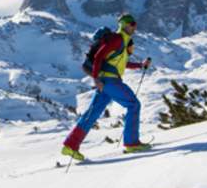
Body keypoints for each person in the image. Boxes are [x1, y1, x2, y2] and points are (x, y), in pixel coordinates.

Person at [61, 13, 152, 161]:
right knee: (133, 104)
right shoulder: (117, 38)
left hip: (106, 82)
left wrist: (140, 65)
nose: (134, 27)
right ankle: (131, 143)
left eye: (135, 24)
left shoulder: (122, 42)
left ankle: (70, 145)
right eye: (132, 24)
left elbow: (122, 63)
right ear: (124, 25)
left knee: (92, 113)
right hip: (109, 81)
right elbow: (99, 57)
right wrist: (96, 78)